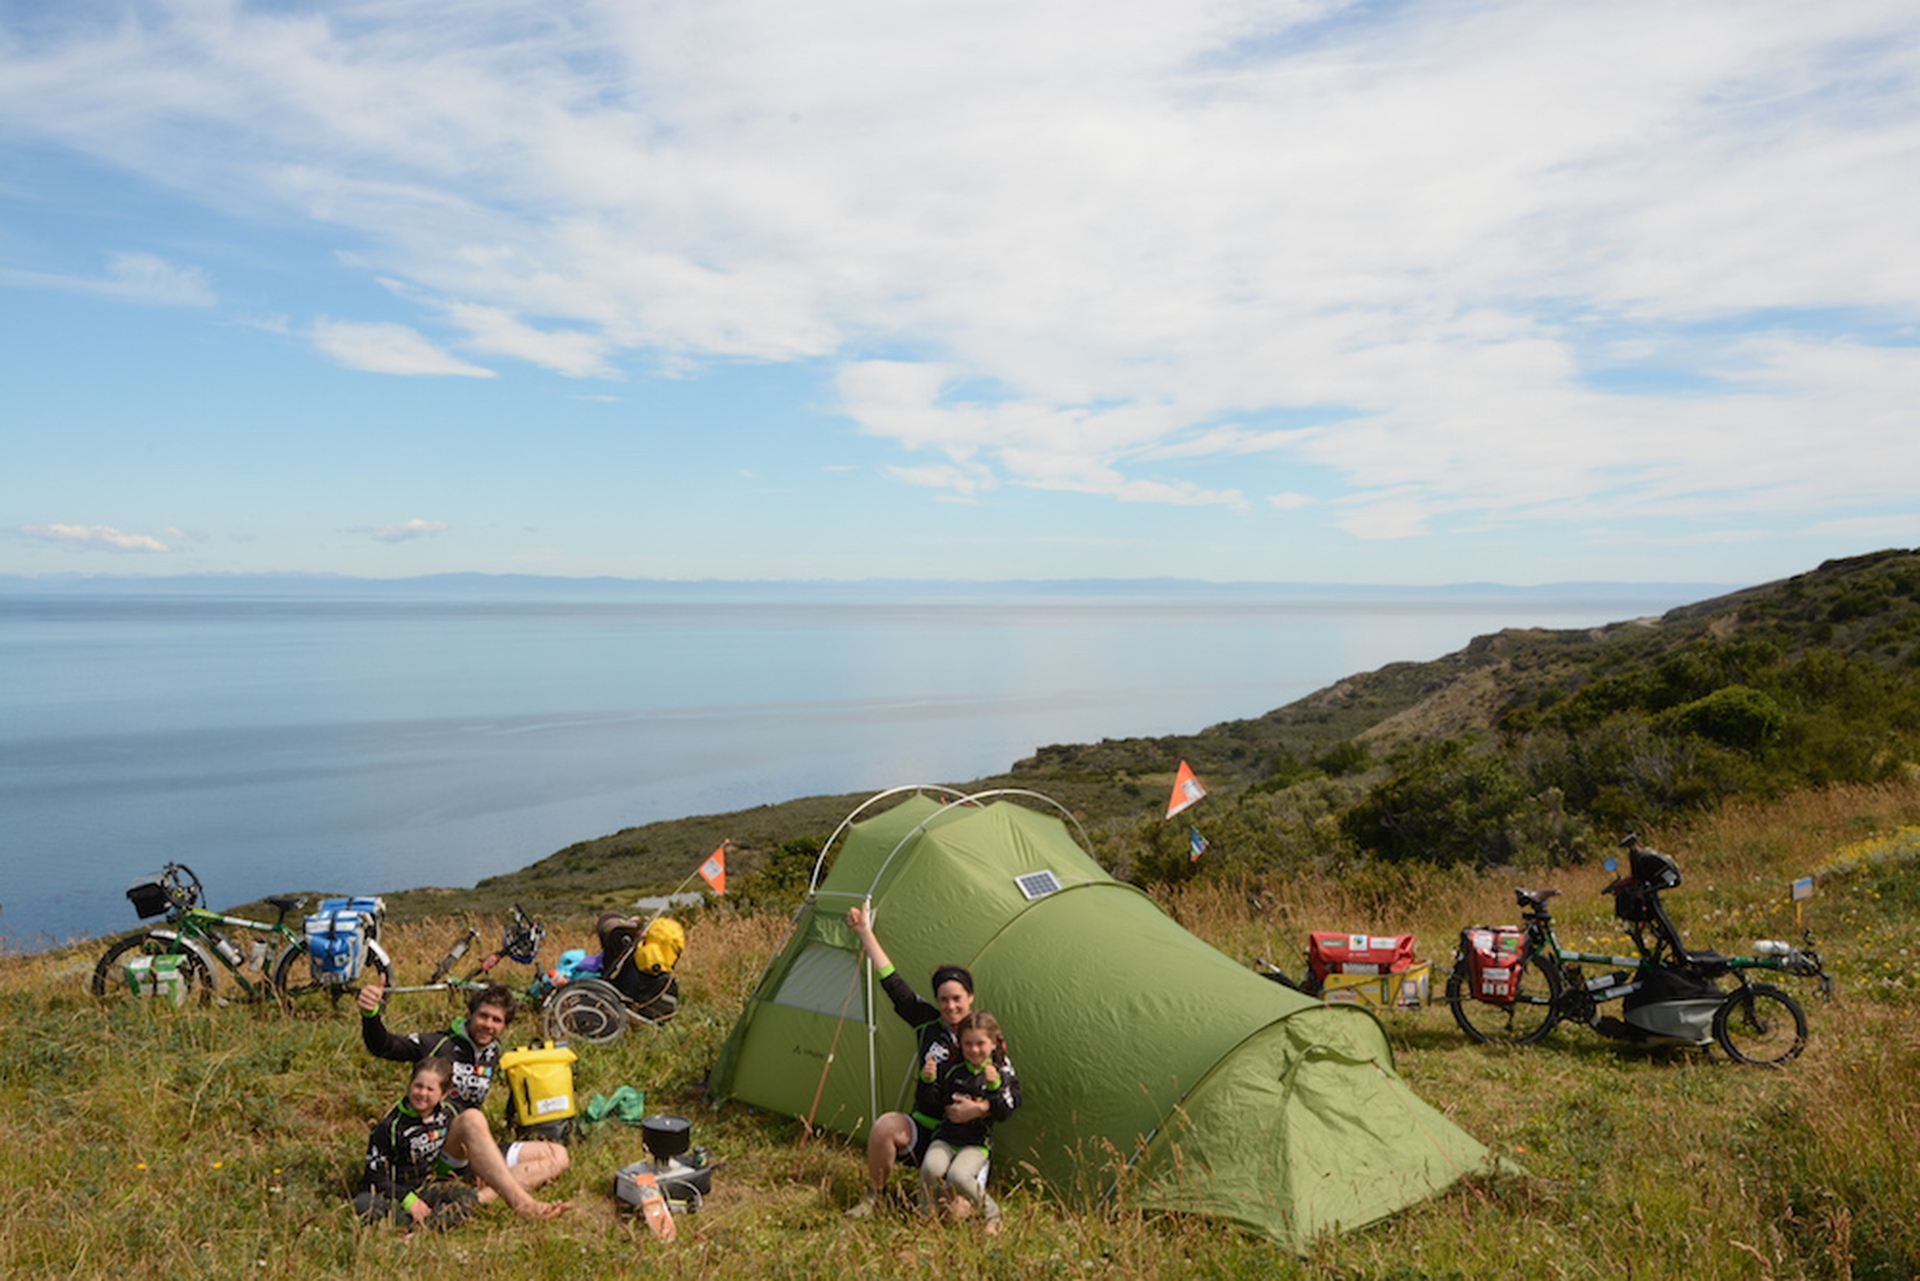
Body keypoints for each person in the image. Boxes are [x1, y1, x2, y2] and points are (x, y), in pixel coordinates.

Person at [356, 979, 571, 1219]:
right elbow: (384, 1046)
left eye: (496, 1020)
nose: (488, 1025)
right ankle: (523, 1204)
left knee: (558, 1155)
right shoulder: (437, 1044)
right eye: (483, 1016)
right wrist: (370, 1014)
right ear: (470, 1015)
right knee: (472, 1118)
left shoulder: (493, 1051)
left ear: (505, 1025)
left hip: (470, 1146)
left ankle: (476, 1199)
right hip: (434, 1147)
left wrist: (483, 1153)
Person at [843, 903, 997, 1220]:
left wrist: (981, 1109)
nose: (951, 1006)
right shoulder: (928, 1022)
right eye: (944, 999)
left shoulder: (984, 1037)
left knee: (950, 1215)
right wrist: (865, 933)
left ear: (970, 998)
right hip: (927, 1131)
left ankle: (960, 1196)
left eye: (957, 998)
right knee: (885, 1126)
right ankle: (875, 1198)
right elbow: (893, 983)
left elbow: (1006, 1091)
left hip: (964, 1139)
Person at [920, 1011, 1020, 1232]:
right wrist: (929, 1081)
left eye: (980, 1044)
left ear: (994, 1044)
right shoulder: (952, 1069)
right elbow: (932, 1103)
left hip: (975, 1144)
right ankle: (927, 1215)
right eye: (968, 1044)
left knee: (958, 1176)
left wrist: (993, 1090)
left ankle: (993, 1215)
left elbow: (1005, 1112)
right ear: (960, 1044)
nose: (974, 1050)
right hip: (946, 1138)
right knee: (930, 1168)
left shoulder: (999, 1073)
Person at [353, 1056, 477, 1231]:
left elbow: (464, 1144)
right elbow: (374, 1176)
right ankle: (420, 1223)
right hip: (395, 1192)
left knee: (468, 1197)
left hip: (428, 1186)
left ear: (444, 1094)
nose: (422, 1093)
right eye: (418, 1086)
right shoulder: (390, 1127)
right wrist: (408, 1200)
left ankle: (423, 1228)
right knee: (364, 1203)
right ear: (410, 1085)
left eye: (430, 1089)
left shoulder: (449, 1113)